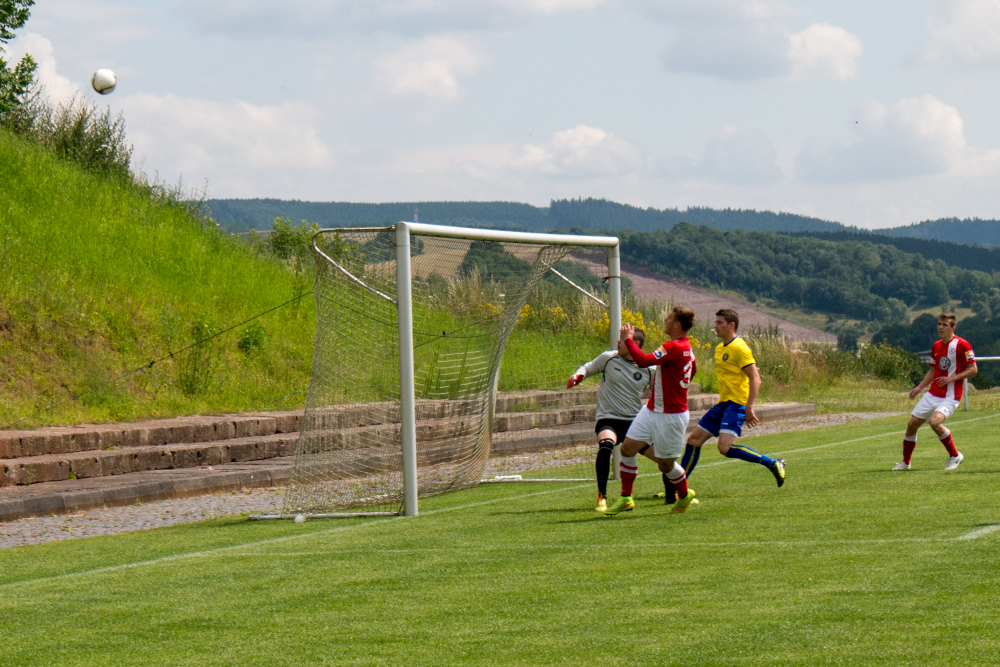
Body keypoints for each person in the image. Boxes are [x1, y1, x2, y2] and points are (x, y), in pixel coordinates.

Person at [672, 309, 785, 494]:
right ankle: (677, 489)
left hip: (736, 404)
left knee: (724, 448)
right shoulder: (719, 349)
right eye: (715, 322)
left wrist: (748, 407)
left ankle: (773, 463)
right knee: (693, 441)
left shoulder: (739, 348)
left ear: (731, 325)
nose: (715, 326)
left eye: (719, 323)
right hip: (723, 404)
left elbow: (755, 378)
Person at [602, 306, 699, 516]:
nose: (665, 319)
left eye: (670, 318)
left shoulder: (673, 346)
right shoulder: (686, 348)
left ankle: (684, 495)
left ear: (677, 325)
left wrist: (628, 339)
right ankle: (626, 498)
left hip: (671, 416)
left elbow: (642, 361)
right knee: (627, 449)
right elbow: (693, 368)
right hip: (652, 410)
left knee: (665, 465)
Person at [567, 329, 654, 511]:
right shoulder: (608, 358)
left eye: (622, 339)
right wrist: (577, 376)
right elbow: (588, 367)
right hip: (608, 418)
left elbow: (662, 389)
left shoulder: (649, 368)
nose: (618, 342)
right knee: (606, 446)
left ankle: (676, 493)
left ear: (634, 344)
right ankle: (602, 497)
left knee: (662, 456)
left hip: (634, 422)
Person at [894, 312, 977, 471]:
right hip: (932, 394)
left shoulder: (962, 345)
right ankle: (906, 462)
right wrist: (919, 388)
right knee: (912, 424)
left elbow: (973, 369)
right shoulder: (936, 345)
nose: (940, 327)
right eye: (939, 324)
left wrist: (952, 378)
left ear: (953, 327)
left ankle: (955, 456)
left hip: (950, 396)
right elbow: (933, 371)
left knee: (935, 422)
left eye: (945, 325)